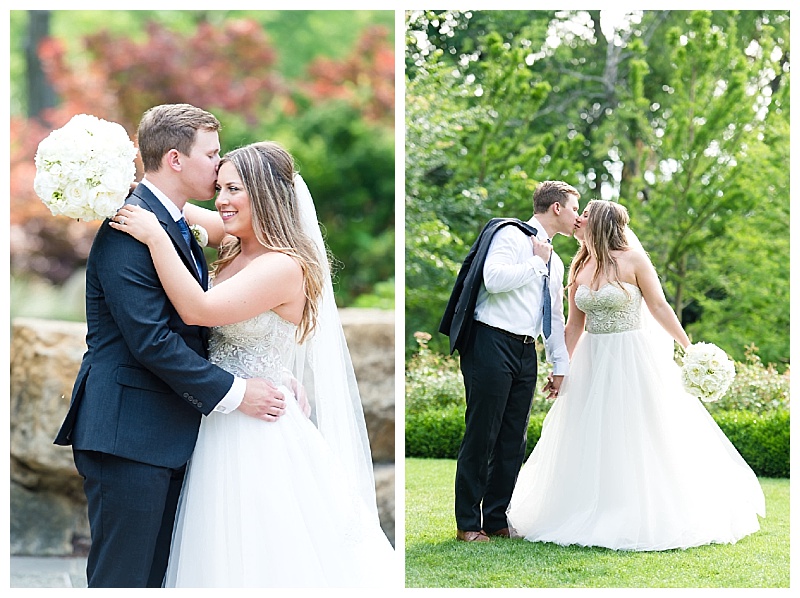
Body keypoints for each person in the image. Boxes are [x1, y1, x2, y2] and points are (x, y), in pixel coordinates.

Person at [110, 140, 396, 587]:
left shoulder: (281, 266)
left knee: (260, 551)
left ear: (263, 194)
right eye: (220, 187)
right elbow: (173, 208)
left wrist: (151, 236)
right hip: (221, 416)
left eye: (234, 190)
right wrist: (113, 181)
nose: (221, 200)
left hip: (258, 424)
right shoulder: (237, 241)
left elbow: (199, 311)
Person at [53, 104, 286, 588]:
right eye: (212, 154)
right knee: (124, 579)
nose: (219, 166)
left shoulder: (172, 221)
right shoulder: (129, 229)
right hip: (127, 435)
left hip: (165, 434)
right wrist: (239, 393)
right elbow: (152, 341)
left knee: (158, 578)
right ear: (176, 159)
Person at [506, 199, 766, 551]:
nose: (577, 222)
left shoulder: (634, 260)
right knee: (588, 433)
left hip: (630, 357)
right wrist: (560, 369)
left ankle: (637, 508)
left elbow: (659, 306)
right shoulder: (579, 266)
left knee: (638, 431)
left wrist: (689, 349)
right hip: (592, 359)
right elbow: (573, 325)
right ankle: (589, 505)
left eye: (584, 217)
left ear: (600, 224)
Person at [440, 181, 580, 542]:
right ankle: (468, 524)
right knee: (482, 432)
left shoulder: (557, 260)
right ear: (557, 209)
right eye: (575, 208)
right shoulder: (510, 235)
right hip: (490, 340)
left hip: (524, 350)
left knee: (512, 439)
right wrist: (536, 262)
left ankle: (497, 519)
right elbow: (494, 279)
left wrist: (559, 365)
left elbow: (553, 316)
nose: (578, 217)